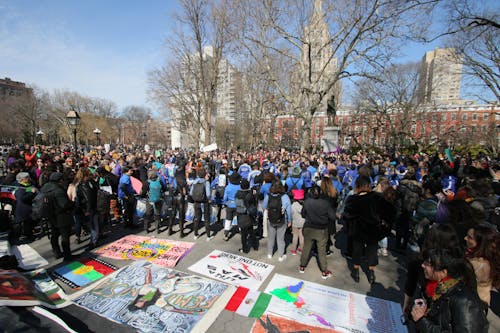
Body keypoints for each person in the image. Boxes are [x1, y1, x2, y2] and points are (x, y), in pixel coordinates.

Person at [410, 247, 488, 332]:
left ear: (443, 272)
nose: (422, 265)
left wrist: (422, 322)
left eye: (428, 264)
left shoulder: (464, 301)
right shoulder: (430, 286)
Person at [343, 176, 395, 284]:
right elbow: (390, 211)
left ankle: (356, 271)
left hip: (358, 230)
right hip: (373, 230)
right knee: (372, 250)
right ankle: (371, 273)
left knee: (357, 249)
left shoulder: (352, 200)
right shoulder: (377, 197)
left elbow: (347, 215)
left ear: (357, 186)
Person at [298, 185, 335, 279]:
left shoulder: (307, 202)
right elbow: (332, 217)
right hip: (321, 230)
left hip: (309, 228)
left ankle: (302, 266)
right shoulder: (325, 203)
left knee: (306, 247)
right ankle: (324, 271)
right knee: (321, 251)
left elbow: (303, 214)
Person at [464, 225, 500, 306]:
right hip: (485, 300)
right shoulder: (493, 259)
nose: (465, 238)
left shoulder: (475, 263)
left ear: (481, 243)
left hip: (471, 303)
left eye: (470, 237)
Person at [41, 172, 74, 261]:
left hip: (51, 215)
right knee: (65, 236)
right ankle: (67, 255)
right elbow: (64, 204)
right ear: (60, 180)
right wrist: (72, 204)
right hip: (61, 215)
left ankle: (57, 252)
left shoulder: (45, 187)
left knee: (54, 235)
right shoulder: (58, 190)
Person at [262, 181, 292, 262]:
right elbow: (289, 210)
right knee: (281, 238)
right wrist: (289, 220)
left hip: (271, 219)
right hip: (282, 219)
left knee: (271, 237)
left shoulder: (268, 196)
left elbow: (264, 206)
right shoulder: (285, 196)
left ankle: (269, 253)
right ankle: (281, 255)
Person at [75, 167, 99, 250]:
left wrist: (87, 210)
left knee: (92, 225)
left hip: (89, 208)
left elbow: (88, 198)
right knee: (94, 224)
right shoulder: (89, 182)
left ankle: (93, 241)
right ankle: (94, 239)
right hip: (92, 206)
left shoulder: (84, 184)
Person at [12, 172, 37, 244]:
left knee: (28, 223)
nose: (29, 179)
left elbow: (28, 189)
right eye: (27, 178)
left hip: (27, 208)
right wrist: (31, 193)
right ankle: (17, 238)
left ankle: (29, 236)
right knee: (20, 224)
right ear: (23, 179)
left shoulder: (26, 186)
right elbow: (23, 198)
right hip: (22, 209)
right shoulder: (19, 187)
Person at [189, 167, 213, 241]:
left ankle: (195, 234)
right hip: (204, 202)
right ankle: (208, 236)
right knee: (206, 219)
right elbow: (208, 194)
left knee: (197, 218)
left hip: (196, 202)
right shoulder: (206, 182)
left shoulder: (195, 182)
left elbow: (190, 193)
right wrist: (210, 199)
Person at [235, 179, 257, 253]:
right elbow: (254, 204)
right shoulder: (250, 194)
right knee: (251, 231)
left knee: (243, 234)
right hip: (249, 215)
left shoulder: (237, 193)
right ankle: (255, 246)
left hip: (240, 214)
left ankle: (245, 249)